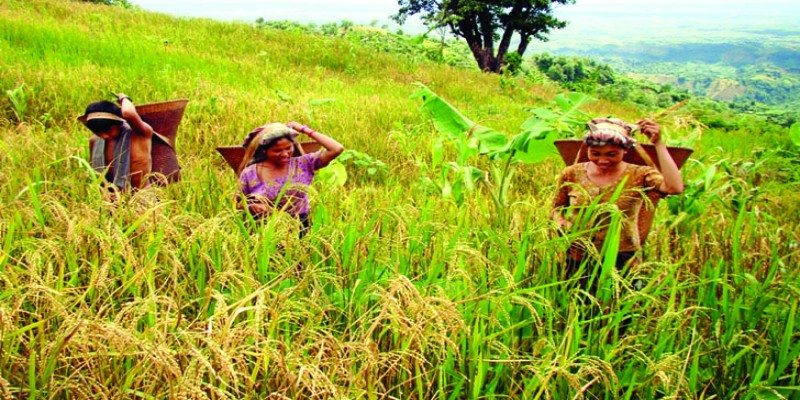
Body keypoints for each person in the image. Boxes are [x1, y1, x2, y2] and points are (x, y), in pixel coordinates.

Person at [551, 117, 684, 286]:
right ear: (587, 149)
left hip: (623, 257)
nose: (603, 160)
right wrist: (561, 223)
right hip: (579, 254)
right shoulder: (572, 173)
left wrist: (658, 143)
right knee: (576, 305)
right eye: (595, 154)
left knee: (621, 306)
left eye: (611, 154)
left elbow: (674, 188)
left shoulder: (640, 174)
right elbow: (555, 209)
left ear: (625, 151)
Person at [237, 121, 344, 235]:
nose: (285, 154)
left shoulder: (303, 164)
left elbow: (337, 148)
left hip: (300, 225)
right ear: (264, 151)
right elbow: (238, 203)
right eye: (277, 150)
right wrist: (252, 207)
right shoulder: (251, 173)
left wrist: (304, 129)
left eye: (288, 148)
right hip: (266, 230)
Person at [79, 93, 155, 191]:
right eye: (98, 132)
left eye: (108, 130)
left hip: (141, 196)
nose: (104, 136)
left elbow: (128, 113)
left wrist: (124, 98)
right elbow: (95, 171)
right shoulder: (94, 141)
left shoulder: (139, 134)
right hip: (110, 197)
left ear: (119, 123)